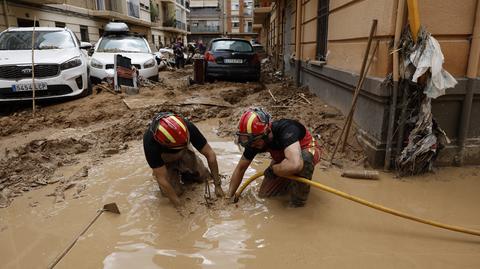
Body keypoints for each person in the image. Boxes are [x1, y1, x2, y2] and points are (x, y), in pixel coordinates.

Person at [227, 107, 321, 207]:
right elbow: (240, 169)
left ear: (267, 131)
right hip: (284, 156)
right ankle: (288, 181)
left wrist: (274, 169)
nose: (252, 146)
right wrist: (229, 197)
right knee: (265, 195)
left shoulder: (286, 129)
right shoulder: (254, 141)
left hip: (306, 149)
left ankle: (298, 203)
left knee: (304, 160)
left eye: (254, 142)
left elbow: (295, 165)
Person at [143, 112, 224, 207]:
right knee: (175, 193)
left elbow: (210, 154)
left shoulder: (187, 127)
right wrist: (178, 204)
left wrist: (217, 185)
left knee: (204, 178)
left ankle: (187, 174)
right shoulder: (150, 142)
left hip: (184, 153)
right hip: (164, 162)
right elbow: (162, 178)